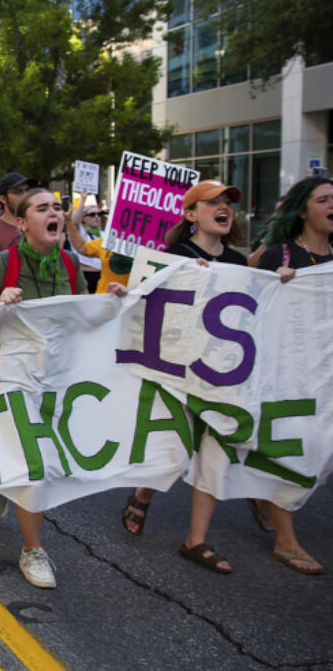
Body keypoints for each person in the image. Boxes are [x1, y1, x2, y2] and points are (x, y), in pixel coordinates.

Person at [0, 188, 127, 589]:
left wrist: (110, 302)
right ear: (23, 223)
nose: (54, 213)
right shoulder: (4, 263)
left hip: (55, 375)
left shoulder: (71, 265)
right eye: (43, 209)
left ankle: (5, 480)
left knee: (31, 455)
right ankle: (32, 549)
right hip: (13, 373)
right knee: (33, 456)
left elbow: (83, 318)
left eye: (57, 208)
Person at [119, 181, 253, 575]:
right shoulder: (173, 255)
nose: (224, 207)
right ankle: (143, 493)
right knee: (175, 445)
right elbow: (139, 297)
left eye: (228, 202)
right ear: (191, 215)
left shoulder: (240, 263)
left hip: (220, 369)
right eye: (213, 202)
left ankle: (196, 540)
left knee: (212, 449)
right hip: (178, 366)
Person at [245, 176, 332, 574]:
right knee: (297, 445)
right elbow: (248, 300)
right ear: (303, 210)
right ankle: (286, 540)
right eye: (325, 199)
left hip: (326, 368)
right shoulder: (277, 255)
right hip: (288, 370)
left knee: (321, 450)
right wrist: (274, 284)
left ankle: (263, 490)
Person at [0, 172, 39, 279]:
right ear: (3, 199)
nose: (25, 196)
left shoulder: (37, 227)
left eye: (27, 191)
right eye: (18, 192)